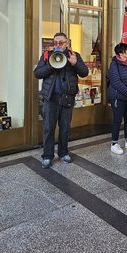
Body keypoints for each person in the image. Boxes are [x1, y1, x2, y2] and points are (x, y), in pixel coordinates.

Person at [34, 33, 89, 169]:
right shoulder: (46, 56)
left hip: (67, 98)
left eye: (61, 42)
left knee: (65, 128)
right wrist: (51, 64)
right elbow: (37, 73)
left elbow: (84, 72)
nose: (58, 45)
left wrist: (75, 64)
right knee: (48, 128)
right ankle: (47, 156)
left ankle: (63, 153)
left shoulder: (74, 55)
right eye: (55, 43)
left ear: (67, 43)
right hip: (51, 98)